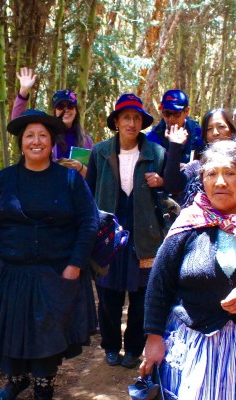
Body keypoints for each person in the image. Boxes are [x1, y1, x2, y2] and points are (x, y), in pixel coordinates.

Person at [0, 110, 98, 400]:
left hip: (55, 273)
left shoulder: (69, 179)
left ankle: (44, 384)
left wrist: (76, 263)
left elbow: (88, 222)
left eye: (42, 135)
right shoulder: (4, 179)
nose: (36, 141)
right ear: (21, 143)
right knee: (11, 331)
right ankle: (16, 379)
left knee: (48, 333)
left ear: (51, 142)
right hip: (9, 270)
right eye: (30, 135)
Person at [140, 141, 236, 399]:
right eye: (211, 174)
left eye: (230, 173)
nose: (219, 182)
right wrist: (153, 337)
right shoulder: (189, 222)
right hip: (194, 344)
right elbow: (160, 283)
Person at [85, 93, 166, 369]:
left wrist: (162, 182)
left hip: (145, 236)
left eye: (136, 118)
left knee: (141, 297)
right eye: (126, 117)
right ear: (117, 121)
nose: (132, 123)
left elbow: (168, 197)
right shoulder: (100, 152)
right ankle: (110, 345)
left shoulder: (156, 153)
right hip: (109, 236)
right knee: (108, 294)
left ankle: (133, 348)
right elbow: (90, 193)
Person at [13, 67, 94, 177]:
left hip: (75, 191)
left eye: (70, 106)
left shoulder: (86, 141)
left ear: (76, 111)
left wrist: (79, 167)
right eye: (61, 106)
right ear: (54, 111)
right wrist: (23, 91)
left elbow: (92, 176)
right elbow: (18, 120)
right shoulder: (45, 133)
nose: (66, 110)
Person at [146, 89, 204, 163]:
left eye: (176, 113)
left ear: (187, 111)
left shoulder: (198, 134)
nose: (171, 118)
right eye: (167, 113)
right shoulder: (152, 137)